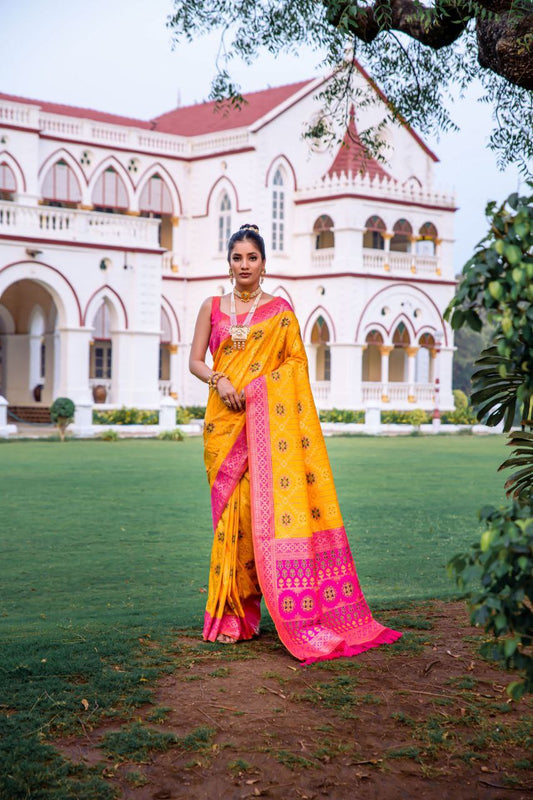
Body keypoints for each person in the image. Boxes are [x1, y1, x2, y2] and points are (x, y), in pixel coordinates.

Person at [189, 224, 401, 663]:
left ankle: (252, 616)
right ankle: (231, 616)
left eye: (252, 258)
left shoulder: (281, 312)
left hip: (265, 431)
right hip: (222, 427)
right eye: (237, 258)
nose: (244, 265)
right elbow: (194, 360)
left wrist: (257, 391)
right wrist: (220, 377)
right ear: (228, 263)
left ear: (264, 263)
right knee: (231, 522)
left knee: (256, 519)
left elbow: (296, 366)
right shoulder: (211, 307)